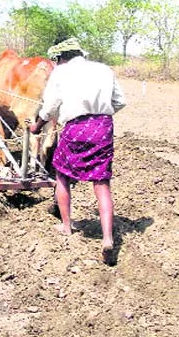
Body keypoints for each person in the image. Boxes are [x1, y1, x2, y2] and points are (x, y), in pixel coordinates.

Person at [30, 37, 126, 265]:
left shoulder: (60, 73)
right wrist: (100, 112)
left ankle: (66, 225)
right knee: (102, 184)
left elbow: (50, 106)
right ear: (80, 54)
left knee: (61, 174)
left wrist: (36, 127)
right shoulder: (104, 69)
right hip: (103, 128)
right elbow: (120, 101)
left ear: (61, 58)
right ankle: (107, 239)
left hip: (75, 127)